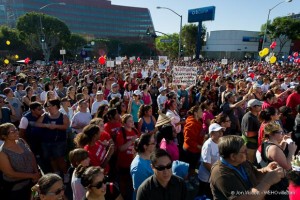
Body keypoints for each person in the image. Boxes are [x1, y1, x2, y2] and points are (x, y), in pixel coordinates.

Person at [210, 135, 285, 200]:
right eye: (244, 151)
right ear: (233, 156)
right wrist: (268, 181)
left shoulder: (241, 161)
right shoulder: (221, 174)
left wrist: (266, 170)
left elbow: (254, 174)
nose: (247, 152)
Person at [0, 123, 41, 200]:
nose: (17, 132)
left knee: (35, 198)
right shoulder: (2, 153)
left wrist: (36, 172)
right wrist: (32, 176)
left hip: (34, 181)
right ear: (4, 136)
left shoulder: (21, 141)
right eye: (13, 132)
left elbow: (31, 155)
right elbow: (10, 174)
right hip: (18, 187)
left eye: (16, 129)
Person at [256, 123, 297, 200]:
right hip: (277, 184)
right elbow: (287, 166)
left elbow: (278, 153)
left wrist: (283, 142)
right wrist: (292, 151)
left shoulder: (266, 142)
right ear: (271, 134)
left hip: (272, 180)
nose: (283, 134)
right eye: (280, 132)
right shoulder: (273, 148)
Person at [36, 99, 70, 178]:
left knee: (60, 159)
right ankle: (56, 173)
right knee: (52, 159)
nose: (47, 107)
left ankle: (65, 174)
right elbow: (37, 124)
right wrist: (46, 125)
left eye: (49, 105)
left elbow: (66, 126)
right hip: (47, 141)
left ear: (55, 106)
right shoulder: (44, 115)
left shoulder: (63, 116)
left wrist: (55, 126)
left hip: (59, 142)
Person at [115, 114, 140, 200]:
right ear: (124, 123)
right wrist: (131, 141)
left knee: (131, 185)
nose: (132, 122)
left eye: (132, 120)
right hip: (124, 164)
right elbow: (121, 148)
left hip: (133, 162)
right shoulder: (120, 132)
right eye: (130, 121)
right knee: (124, 186)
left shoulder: (135, 130)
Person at [198, 123, 224, 199]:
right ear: (211, 133)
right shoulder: (208, 145)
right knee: (204, 194)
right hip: (206, 177)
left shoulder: (220, 142)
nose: (220, 133)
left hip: (214, 175)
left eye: (221, 131)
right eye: (218, 131)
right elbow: (206, 163)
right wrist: (216, 173)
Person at [130, 133, 155, 200]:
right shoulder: (138, 167)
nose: (155, 145)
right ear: (145, 146)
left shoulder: (150, 157)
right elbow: (140, 191)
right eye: (153, 143)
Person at [182, 106, 204, 178]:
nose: (202, 113)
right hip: (191, 151)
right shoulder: (191, 124)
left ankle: (192, 176)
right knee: (189, 168)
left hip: (196, 149)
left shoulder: (198, 121)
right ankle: (188, 180)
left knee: (193, 167)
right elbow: (187, 139)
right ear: (195, 113)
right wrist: (198, 146)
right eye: (200, 111)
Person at [241, 99, 262, 163]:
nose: (261, 107)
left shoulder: (254, 116)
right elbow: (248, 134)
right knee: (250, 164)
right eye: (259, 105)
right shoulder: (249, 118)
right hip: (250, 146)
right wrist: (260, 132)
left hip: (253, 145)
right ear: (253, 107)